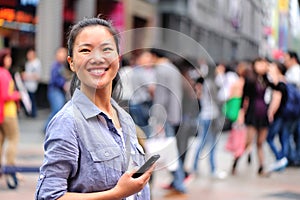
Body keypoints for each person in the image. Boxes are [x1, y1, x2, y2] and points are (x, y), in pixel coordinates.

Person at [35, 16, 153, 199]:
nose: (97, 58)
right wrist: (117, 193)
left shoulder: (125, 119)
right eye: (85, 50)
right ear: (71, 62)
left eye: (106, 49)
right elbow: (48, 196)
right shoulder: (68, 123)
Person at [148, 48, 187, 197]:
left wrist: (158, 119)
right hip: (175, 113)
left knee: (169, 151)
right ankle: (178, 182)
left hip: (166, 116)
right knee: (171, 150)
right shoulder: (172, 68)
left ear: (154, 56)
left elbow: (161, 96)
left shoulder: (161, 69)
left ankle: (179, 182)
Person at [0, 48, 21, 180]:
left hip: (1, 112)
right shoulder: (4, 74)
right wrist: (17, 95)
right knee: (13, 138)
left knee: (1, 140)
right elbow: (5, 95)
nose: (10, 60)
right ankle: (10, 168)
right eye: (7, 57)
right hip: (8, 112)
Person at [129, 50, 155, 138]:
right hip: (141, 104)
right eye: (147, 57)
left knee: (139, 130)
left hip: (135, 103)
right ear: (140, 59)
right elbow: (151, 88)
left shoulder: (135, 70)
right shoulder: (141, 72)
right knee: (144, 132)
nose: (150, 60)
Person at [43, 47, 69, 132]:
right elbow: (54, 79)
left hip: (58, 91)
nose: (63, 55)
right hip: (54, 91)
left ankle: (49, 128)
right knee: (57, 109)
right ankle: (47, 127)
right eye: (61, 53)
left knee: (58, 109)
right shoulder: (55, 66)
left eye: (64, 54)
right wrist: (63, 84)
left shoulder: (62, 66)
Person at [283, 50, 300, 166]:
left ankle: (292, 157)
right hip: (294, 109)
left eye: (286, 59)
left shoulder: (295, 72)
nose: (284, 61)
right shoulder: (291, 71)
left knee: (288, 134)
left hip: (294, 110)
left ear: (293, 59)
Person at [22, 48, 42, 118]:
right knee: (28, 99)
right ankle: (29, 112)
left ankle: (33, 113)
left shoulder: (36, 63)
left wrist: (26, 75)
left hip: (32, 85)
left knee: (32, 99)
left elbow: (37, 76)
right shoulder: (28, 63)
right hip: (26, 84)